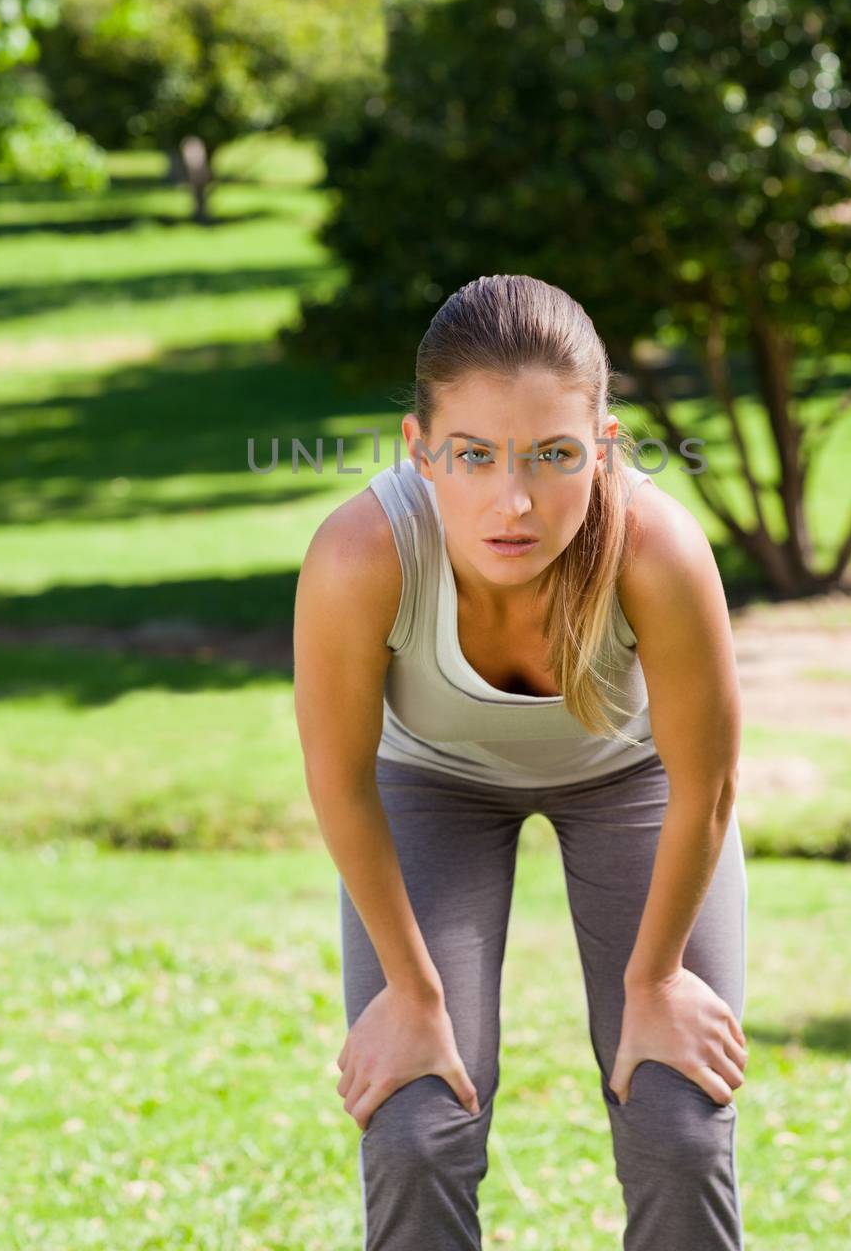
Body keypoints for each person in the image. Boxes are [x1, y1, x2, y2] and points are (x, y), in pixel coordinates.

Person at [293, 273, 749, 1251]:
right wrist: (412, 997)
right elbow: (339, 780)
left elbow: (705, 787)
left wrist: (656, 981)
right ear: (419, 452)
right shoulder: (359, 553)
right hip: (429, 787)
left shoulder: (654, 549)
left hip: (638, 785)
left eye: (552, 455)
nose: (514, 499)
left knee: (676, 1118)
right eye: (473, 455)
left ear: (603, 449)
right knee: (415, 1123)